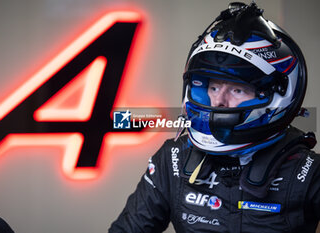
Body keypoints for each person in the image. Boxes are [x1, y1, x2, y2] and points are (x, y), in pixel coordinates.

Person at [109, 2, 320, 233]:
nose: (218, 102)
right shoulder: (173, 159)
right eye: (213, 87)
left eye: (237, 90)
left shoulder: (308, 172)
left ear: (276, 96)